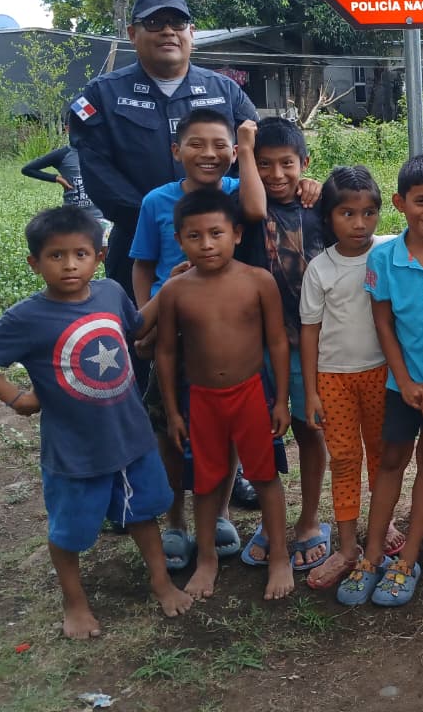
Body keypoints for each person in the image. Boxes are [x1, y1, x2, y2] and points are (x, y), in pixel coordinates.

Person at [0, 206, 193, 638]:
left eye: (80, 254)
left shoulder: (110, 293)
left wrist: (171, 286)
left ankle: (161, 583)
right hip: (74, 452)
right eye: (56, 255)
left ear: (99, 257)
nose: (69, 265)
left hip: (131, 438)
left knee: (143, 514)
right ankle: (75, 602)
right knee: (69, 532)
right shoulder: (27, 318)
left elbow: (136, 326)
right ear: (34, 263)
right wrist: (15, 398)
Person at [334, 156, 423, 607]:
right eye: (421, 201)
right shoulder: (383, 257)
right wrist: (404, 380)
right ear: (400, 203)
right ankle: (372, 555)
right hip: (401, 386)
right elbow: (384, 324)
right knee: (391, 462)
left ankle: (408, 558)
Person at [128, 109, 264, 570]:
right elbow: (143, 264)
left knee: (225, 428)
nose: (209, 153)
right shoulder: (156, 201)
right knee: (170, 428)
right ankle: (176, 521)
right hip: (170, 330)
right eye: (196, 144)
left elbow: (262, 206)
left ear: (234, 152)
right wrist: (146, 319)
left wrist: (257, 154)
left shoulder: (238, 191)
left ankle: (221, 513)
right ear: (176, 150)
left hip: (224, 332)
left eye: (220, 145)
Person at [67, 0, 257, 299]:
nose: (168, 31)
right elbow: (98, 171)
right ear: (132, 34)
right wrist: (157, 221)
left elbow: (257, 157)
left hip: (222, 243)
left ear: (191, 32)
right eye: (154, 23)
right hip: (137, 247)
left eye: (177, 23)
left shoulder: (226, 92)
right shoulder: (103, 95)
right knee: (142, 324)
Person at [155, 188, 293, 601]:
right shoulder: (175, 291)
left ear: (236, 233)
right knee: (205, 482)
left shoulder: (258, 281)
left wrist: (281, 400)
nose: (206, 244)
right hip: (201, 400)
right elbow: (165, 352)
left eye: (216, 233)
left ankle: (279, 555)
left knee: (265, 476)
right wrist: (173, 411)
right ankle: (207, 559)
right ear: (179, 240)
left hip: (251, 394)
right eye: (194, 236)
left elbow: (277, 343)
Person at [298, 166, 405, 592]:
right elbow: (309, 331)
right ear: (329, 217)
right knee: (344, 459)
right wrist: (310, 391)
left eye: (369, 212)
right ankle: (346, 547)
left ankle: (384, 524)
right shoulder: (319, 269)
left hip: (381, 374)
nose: (360, 223)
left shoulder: (389, 250)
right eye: (348, 213)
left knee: (382, 453)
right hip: (334, 380)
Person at [233, 117, 331, 575]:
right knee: (260, 434)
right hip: (254, 345)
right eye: (264, 164)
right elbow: (254, 209)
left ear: (304, 163)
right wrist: (243, 146)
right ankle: (271, 523)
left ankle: (309, 520)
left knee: (310, 429)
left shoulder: (319, 206)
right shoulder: (242, 207)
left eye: (287, 164)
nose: (276, 174)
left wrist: (316, 187)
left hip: (307, 345)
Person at [20, 138, 105, 221]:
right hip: (71, 218)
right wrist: (57, 178)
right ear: (68, 130)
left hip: (100, 217)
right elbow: (28, 169)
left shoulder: (101, 152)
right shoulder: (63, 154)